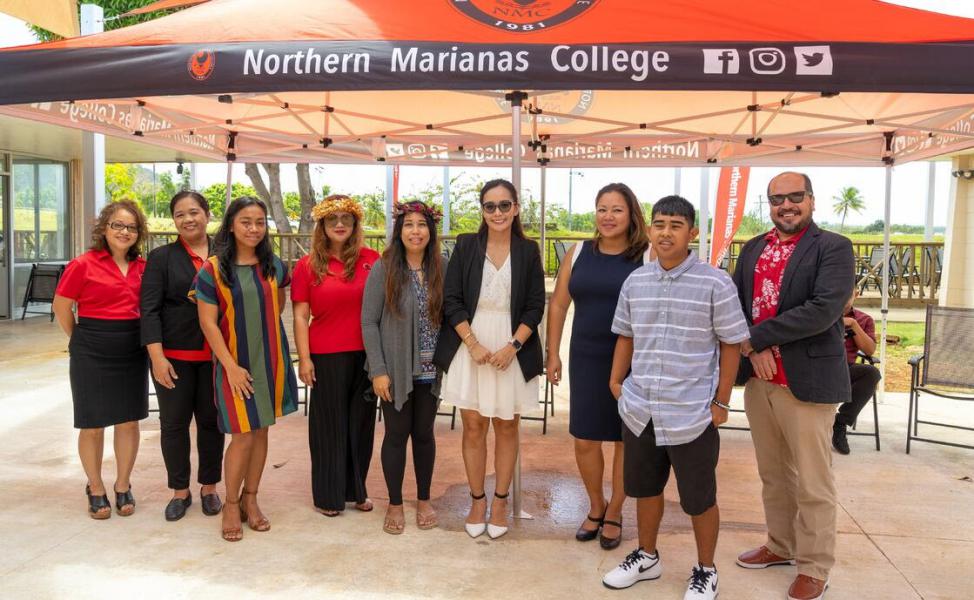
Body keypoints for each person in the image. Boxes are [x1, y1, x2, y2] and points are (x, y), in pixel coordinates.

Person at [601, 196, 748, 600]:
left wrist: (720, 403)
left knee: (699, 497)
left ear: (693, 233)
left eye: (676, 225)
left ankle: (705, 569)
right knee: (645, 488)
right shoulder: (636, 282)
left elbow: (732, 343)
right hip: (641, 408)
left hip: (691, 411)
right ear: (650, 229)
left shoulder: (716, 282)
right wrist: (617, 384)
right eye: (660, 224)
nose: (666, 232)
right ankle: (646, 557)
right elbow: (625, 335)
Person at [731, 172, 855, 600]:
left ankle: (815, 566)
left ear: (811, 200)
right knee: (772, 473)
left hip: (807, 381)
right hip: (759, 380)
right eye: (777, 199)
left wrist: (759, 338)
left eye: (794, 197)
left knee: (812, 480)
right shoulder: (753, 248)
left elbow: (823, 309)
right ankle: (780, 545)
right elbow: (733, 305)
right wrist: (750, 351)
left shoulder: (833, 247)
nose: (786, 205)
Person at [434, 179, 545, 540]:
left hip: (512, 347)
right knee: (473, 426)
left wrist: (513, 346)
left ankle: (500, 501)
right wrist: (473, 343)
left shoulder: (528, 251)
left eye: (504, 205)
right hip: (472, 344)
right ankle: (477, 500)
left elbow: (535, 306)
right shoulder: (466, 245)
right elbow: (451, 299)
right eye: (490, 206)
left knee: (508, 425)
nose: (497, 212)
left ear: (515, 208)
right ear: (482, 210)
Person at [546, 183, 650, 550]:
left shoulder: (647, 255)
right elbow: (558, 305)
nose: (608, 216)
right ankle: (595, 505)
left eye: (617, 209)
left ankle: (616, 510)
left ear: (631, 214)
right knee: (586, 437)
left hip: (635, 360)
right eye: (602, 208)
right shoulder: (577, 253)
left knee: (626, 439)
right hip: (587, 355)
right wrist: (552, 352)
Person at [192, 196, 298, 542]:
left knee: (262, 430)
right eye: (246, 222)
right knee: (242, 435)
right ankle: (231, 503)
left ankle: (252, 500)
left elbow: (276, 304)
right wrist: (231, 367)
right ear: (231, 225)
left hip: (270, 361)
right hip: (233, 363)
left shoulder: (275, 267)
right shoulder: (212, 269)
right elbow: (208, 324)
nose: (254, 228)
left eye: (259, 222)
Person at [52, 199, 150, 520]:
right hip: (91, 347)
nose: (124, 231)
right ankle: (95, 487)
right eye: (118, 225)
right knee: (92, 423)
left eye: (131, 227)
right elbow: (62, 307)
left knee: (128, 420)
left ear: (139, 233)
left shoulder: (143, 268)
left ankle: (123, 485)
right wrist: (79, 340)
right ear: (104, 228)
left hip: (132, 348)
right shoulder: (83, 264)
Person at [362, 201, 447, 534]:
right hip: (394, 369)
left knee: (424, 434)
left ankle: (424, 499)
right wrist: (378, 370)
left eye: (422, 225)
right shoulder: (384, 269)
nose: (416, 231)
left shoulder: (443, 267)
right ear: (399, 231)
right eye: (408, 224)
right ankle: (395, 503)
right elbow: (369, 322)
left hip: (432, 369)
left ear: (431, 231)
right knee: (396, 435)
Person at [292, 194, 380, 517]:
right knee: (329, 426)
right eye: (333, 220)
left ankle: (356, 490)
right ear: (322, 226)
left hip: (368, 356)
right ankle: (328, 496)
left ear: (355, 224)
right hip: (325, 355)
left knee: (361, 424)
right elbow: (300, 316)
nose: (340, 224)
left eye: (346, 219)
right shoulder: (307, 266)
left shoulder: (373, 260)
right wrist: (304, 358)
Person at [141, 191, 224, 521]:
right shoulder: (161, 257)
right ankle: (179, 491)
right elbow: (148, 310)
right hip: (172, 358)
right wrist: (157, 358)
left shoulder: (226, 253)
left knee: (211, 422)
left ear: (206, 214)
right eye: (180, 214)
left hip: (216, 357)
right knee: (173, 425)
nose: (188, 219)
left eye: (194, 212)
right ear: (174, 220)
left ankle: (209, 487)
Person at [832, 292, 881, 455]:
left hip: (846, 368)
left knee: (871, 373)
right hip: (818, 367)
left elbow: (869, 350)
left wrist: (853, 324)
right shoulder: (821, 314)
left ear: (856, 294)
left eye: (848, 293)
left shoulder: (864, 320)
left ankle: (840, 422)